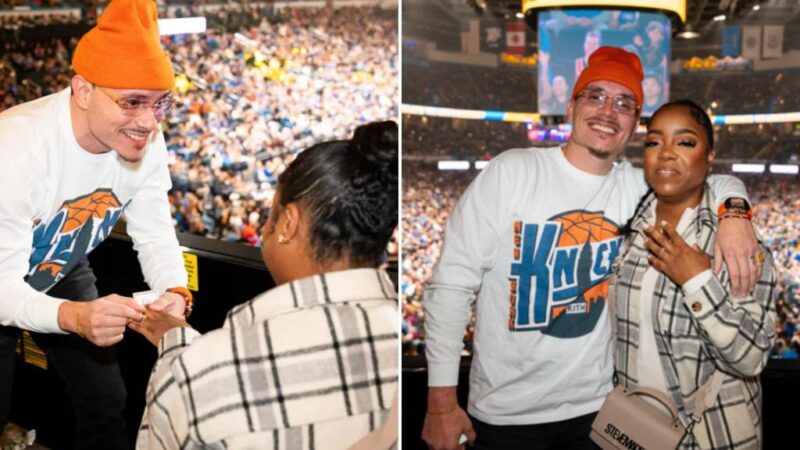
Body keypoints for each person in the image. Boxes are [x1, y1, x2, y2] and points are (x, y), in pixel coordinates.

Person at [422, 47, 763, 450]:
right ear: (571, 105)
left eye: (624, 103)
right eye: (595, 96)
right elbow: (451, 285)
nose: (607, 111)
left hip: (600, 412)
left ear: (635, 123)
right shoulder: (511, 171)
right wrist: (441, 402)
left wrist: (735, 213)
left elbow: (710, 179)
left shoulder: (637, 188)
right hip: (505, 414)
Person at [129, 121, 399, 449]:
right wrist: (176, 338)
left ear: (288, 224)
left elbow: (208, 384)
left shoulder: (200, 375)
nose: (263, 230)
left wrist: (183, 358)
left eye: (270, 217)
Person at [0, 1, 192, 448]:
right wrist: (74, 317)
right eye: (132, 102)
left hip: (60, 264)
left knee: (105, 396)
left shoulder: (146, 138)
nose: (148, 122)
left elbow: (155, 229)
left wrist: (174, 290)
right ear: (83, 91)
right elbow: (4, 289)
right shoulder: (17, 151)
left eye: (160, 104)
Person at [612, 100, 777, 449]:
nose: (667, 153)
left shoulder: (736, 244)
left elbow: (751, 358)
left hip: (710, 436)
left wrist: (697, 281)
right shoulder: (628, 224)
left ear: (710, 154)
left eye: (685, 142)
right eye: (654, 142)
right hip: (633, 429)